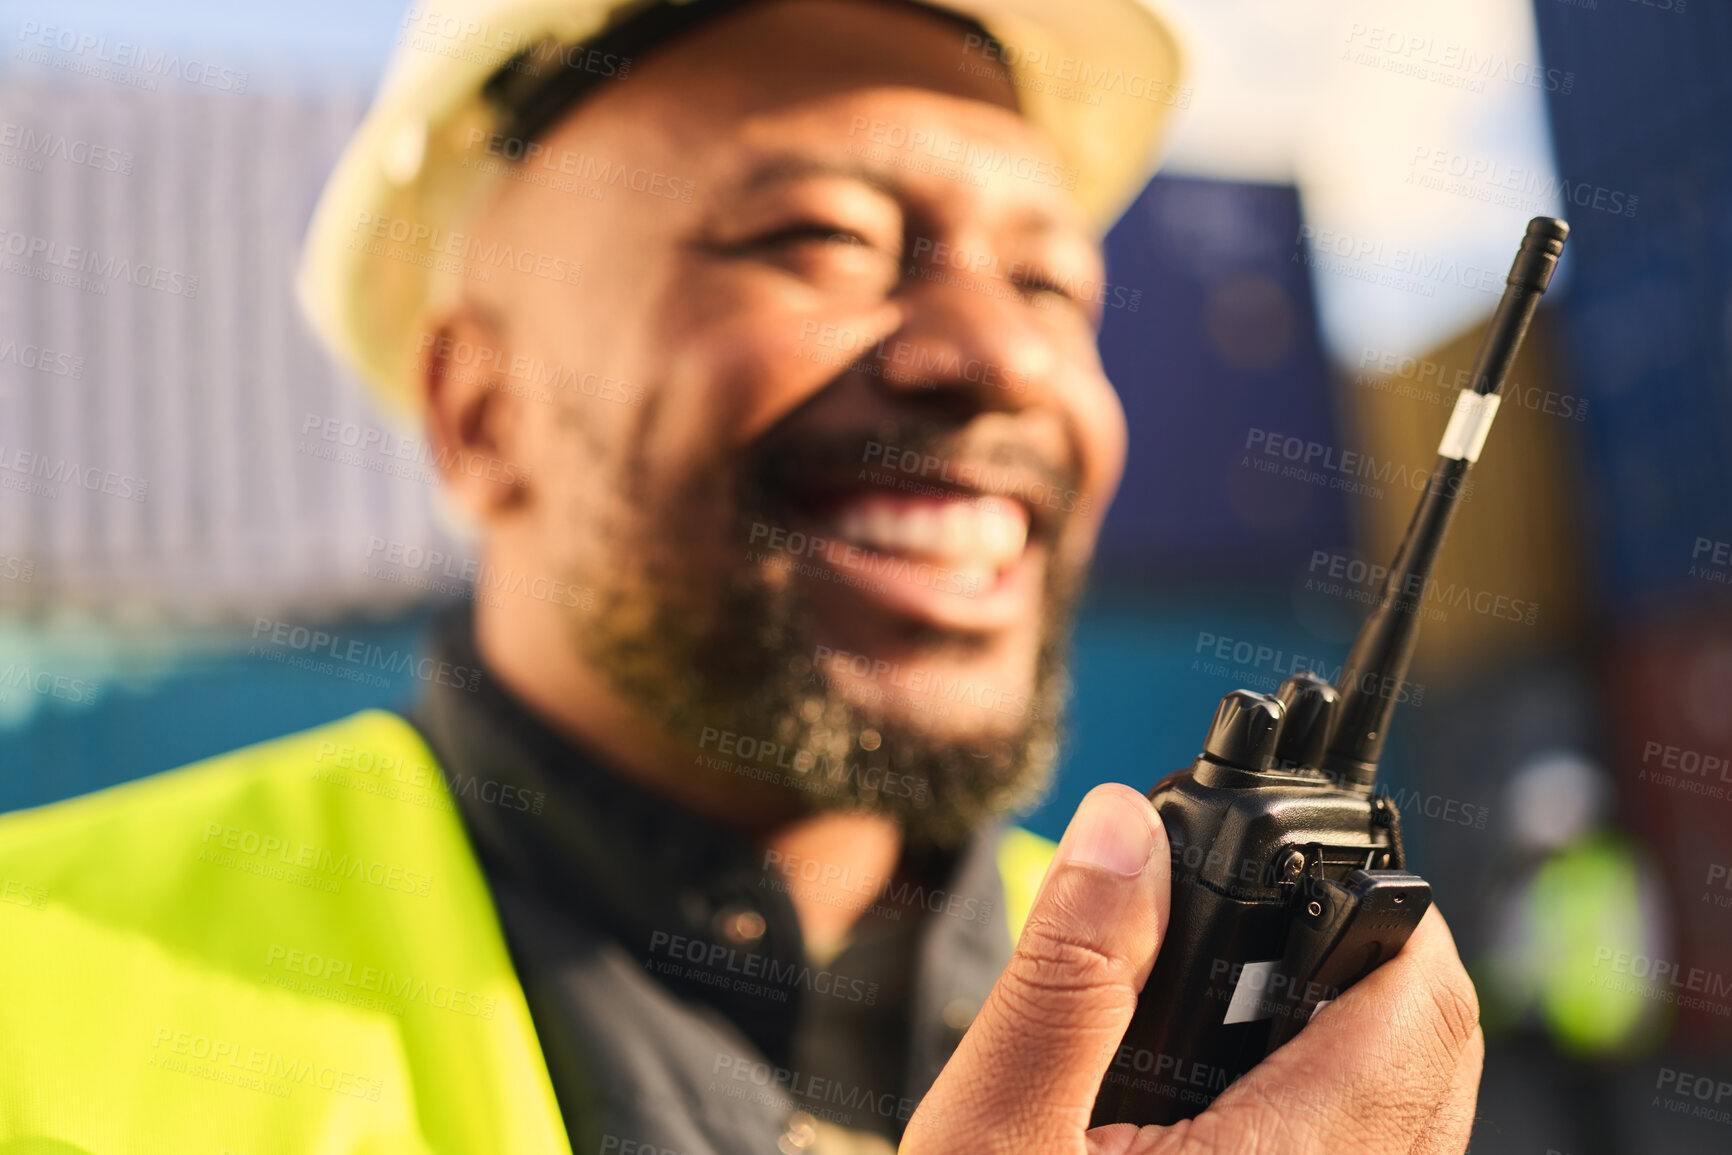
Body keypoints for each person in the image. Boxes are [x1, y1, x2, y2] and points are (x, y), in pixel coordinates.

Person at [0, 0, 1484, 1151]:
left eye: (1052, 283)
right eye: (819, 238)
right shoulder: (35, 988)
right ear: (482, 411)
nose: (1000, 359)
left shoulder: (1214, 1025)